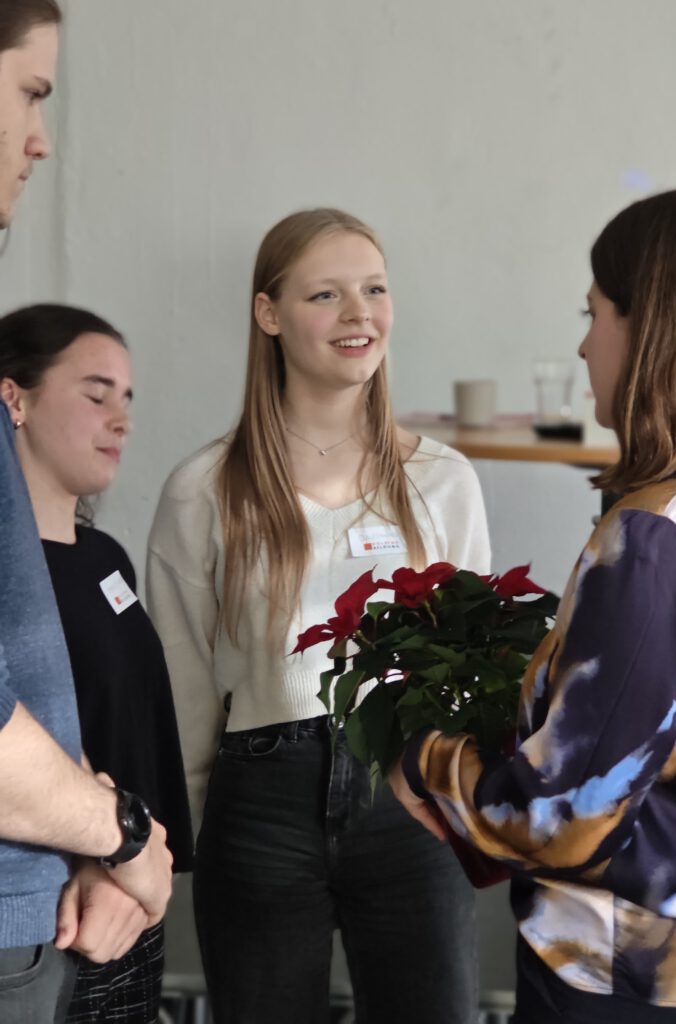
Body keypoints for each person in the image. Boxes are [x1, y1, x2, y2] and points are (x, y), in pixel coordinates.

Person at [391, 185, 676, 1023]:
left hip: (625, 981)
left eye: (594, 312)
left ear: (658, 330)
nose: (584, 344)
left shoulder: (659, 537)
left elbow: (571, 817)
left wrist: (429, 763)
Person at [146, 207, 492, 1024]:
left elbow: (474, 671)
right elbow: (182, 685)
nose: (358, 314)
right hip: (261, 802)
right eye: (326, 294)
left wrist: (470, 806)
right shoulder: (204, 488)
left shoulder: (443, 481)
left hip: (411, 795)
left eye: (373, 289)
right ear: (269, 314)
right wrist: (190, 836)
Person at [0, 4, 173, 1021]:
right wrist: (121, 834)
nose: (41, 139)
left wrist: (139, 850)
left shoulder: (105, 551)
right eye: (29, 91)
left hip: (56, 908)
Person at [0, 302, 195, 1023]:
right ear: (12, 398)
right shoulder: (13, 580)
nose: (122, 419)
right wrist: (102, 862)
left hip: (138, 892)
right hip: (60, 915)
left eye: (128, 399)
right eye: (95, 393)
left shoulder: (108, 558)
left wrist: (140, 868)